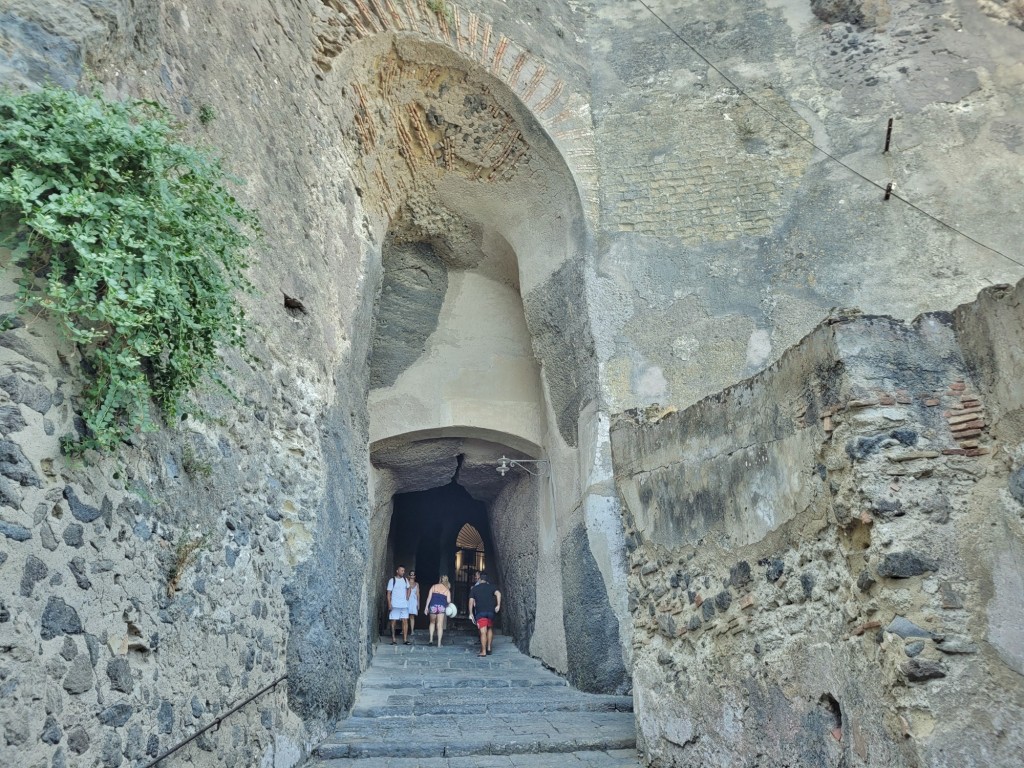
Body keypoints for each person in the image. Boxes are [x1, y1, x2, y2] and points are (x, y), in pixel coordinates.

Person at [468, 571, 501, 657]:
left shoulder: (475, 589)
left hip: (480, 612)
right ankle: (489, 648)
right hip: (490, 612)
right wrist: (498, 605)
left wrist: (471, 613)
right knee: (489, 629)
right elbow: (498, 593)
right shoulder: (492, 587)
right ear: (487, 579)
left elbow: (471, 601)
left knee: (483, 632)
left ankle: (483, 651)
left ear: (480, 579)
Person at [423, 575, 453, 647]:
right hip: (441, 607)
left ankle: (431, 639)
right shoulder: (447, 590)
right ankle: (439, 643)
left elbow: (429, 597)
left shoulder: (433, 586)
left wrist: (426, 607)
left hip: (433, 606)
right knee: (440, 625)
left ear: (440, 579)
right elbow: (449, 601)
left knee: (432, 622)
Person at [386, 565, 411, 645]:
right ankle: (393, 639)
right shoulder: (392, 580)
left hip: (404, 604)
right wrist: (389, 603)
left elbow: (409, 588)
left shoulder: (405, 579)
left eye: (403, 571)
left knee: (405, 620)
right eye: (401, 570)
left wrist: (407, 596)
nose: (403, 572)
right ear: (397, 571)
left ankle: (405, 639)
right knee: (393, 621)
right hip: (395, 604)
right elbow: (388, 593)